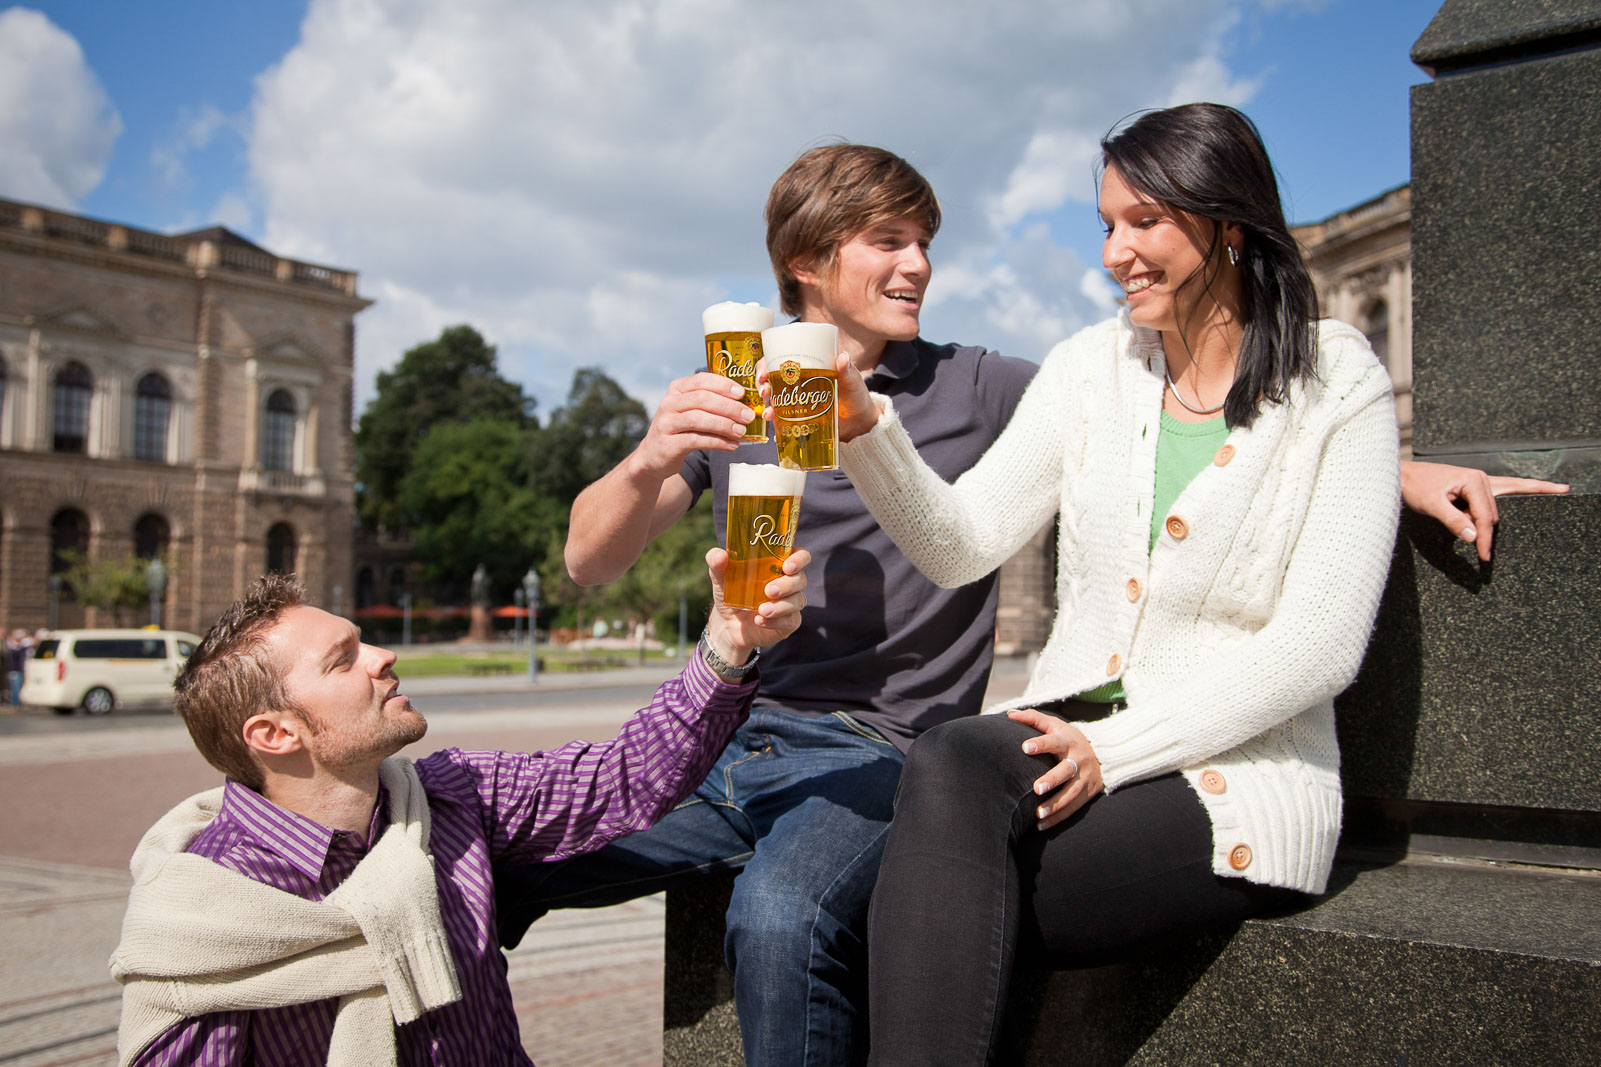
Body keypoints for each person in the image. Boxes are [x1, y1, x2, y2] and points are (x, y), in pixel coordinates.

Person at [495, 141, 1561, 1066]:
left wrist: (1393, 466)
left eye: (923, 240)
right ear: (803, 267)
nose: (917, 265)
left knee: (780, 916)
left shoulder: (984, 383)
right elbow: (589, 561)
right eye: (886, 242)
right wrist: (650, 452)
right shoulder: (736, 385)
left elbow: (1164, 409)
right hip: (725, 730)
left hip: (879, 750)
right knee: (500, 853)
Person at [825, 103, 1469, 1064]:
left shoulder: (1335, 376)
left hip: (1235, 781)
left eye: (1143, 222)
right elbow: (962, 543)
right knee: (952, 761)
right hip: (1070, 734)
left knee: (928, 908)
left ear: (1226, 221)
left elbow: (1319, 647)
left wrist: (1113, 749)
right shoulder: (1092, 369)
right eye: (1104, 225)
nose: (1113, 252)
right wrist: (863, 426)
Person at [108, 547, 808, 1067]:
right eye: (342, 659)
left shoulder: (451, 796)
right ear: (275, 734)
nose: (382, 656)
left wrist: (728, 640)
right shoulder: (204, 912)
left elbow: (626, 776)